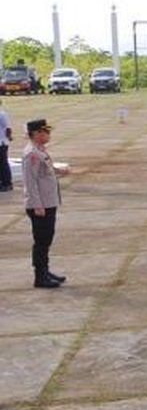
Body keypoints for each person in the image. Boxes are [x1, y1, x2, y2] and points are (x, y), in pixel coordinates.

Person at [23, 119, 68, 288]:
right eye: (45, 132)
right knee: (41, 241)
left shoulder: (39, 150)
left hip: (48, 201)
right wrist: (37, 205)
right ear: (36, 134)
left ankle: (45, 271)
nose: (48, 135)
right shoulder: (31, 154)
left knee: (46, 239)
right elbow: (30, 181)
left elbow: (45, 170)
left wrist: (58, 170)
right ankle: (40, 276)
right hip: (40, 205)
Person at [0, 97, 12, 191]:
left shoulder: (2, 114)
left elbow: (8, 128)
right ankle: (2, 181)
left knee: (3, 163)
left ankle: (7, 183)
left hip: (2, 142)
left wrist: (9, 137)